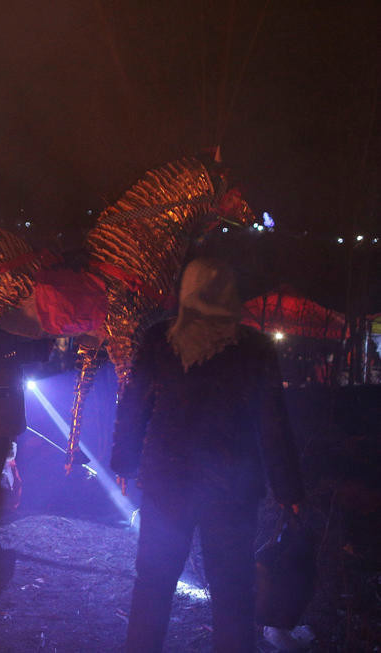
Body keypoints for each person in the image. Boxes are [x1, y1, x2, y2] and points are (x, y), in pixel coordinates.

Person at [111, 257, 304, 653]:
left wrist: (124, 461)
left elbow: (135, 404)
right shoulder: (254, 348)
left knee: (153, 584)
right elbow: (272, 423)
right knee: (233, 592)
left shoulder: (161, 339)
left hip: (169, 481)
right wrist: (289, 490)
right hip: (231, 487)